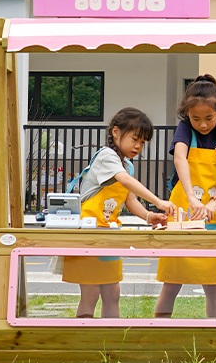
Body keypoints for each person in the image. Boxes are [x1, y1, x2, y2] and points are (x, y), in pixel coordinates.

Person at [62, 107, 173, 318]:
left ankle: (110, 343)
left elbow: (129, 199)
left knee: (112, 293)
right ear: (115, 132)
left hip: (109, 235)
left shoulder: (126, 165)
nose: (138, 146)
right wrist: (158, 202)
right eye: (135, 139)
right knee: (90, 294)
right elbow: (125, 182)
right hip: (89, 234)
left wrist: (149, 216)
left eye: (143, 142)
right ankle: (87, 341)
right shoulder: (107, 156)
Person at [155, 75, 216, 318]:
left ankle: (213, 337)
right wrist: (192, 197)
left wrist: (214, 201)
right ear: (187, 115)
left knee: (213, 282)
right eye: (196, 119)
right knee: (172, 281)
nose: (202, 125)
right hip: (183, 211)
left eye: (209, 119)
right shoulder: (184, 129)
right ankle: (160, 339)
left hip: (213, 213)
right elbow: (180, 158)